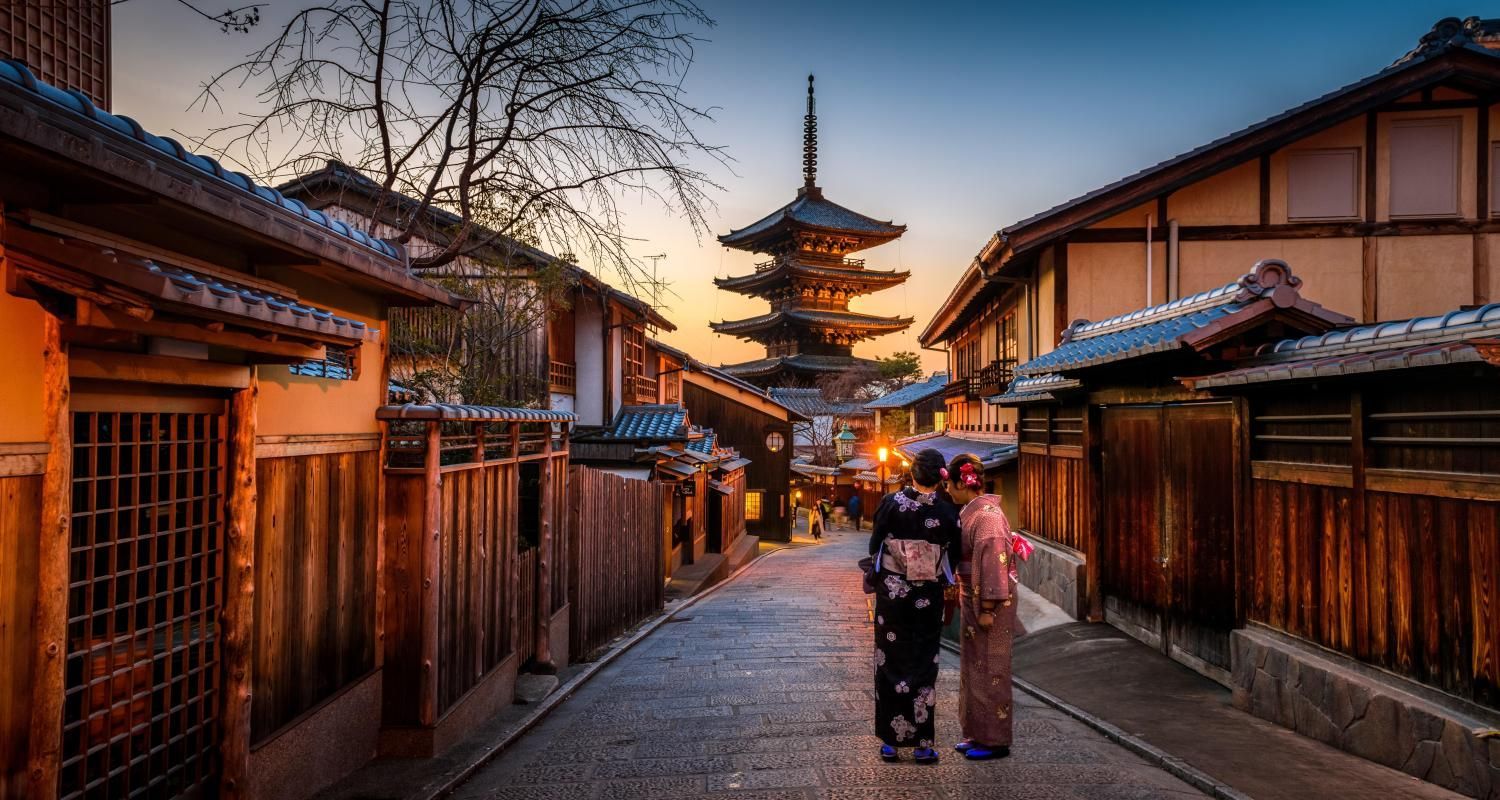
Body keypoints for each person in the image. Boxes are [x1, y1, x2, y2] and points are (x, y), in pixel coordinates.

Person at [868, 448, 960, 764]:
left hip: (893, 595)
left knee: (889, 660)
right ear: (941, 476)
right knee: (923, 663)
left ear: (912, 473)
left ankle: (891, 743)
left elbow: (874, 544)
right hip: (927, 596)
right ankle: (923, 744)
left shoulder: (891, 503)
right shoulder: (948, 511)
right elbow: (954, 554)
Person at [945, 453, 1029, 761]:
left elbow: (994, 564)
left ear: (960, 483)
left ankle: (995, 740)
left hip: (990, 601)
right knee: (974, 665)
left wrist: (988, 607)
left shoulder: (988, 517)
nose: (947, 491)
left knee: (992, 668)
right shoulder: (973, 512)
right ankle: (977, 731)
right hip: (974, 595)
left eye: (949, 485)